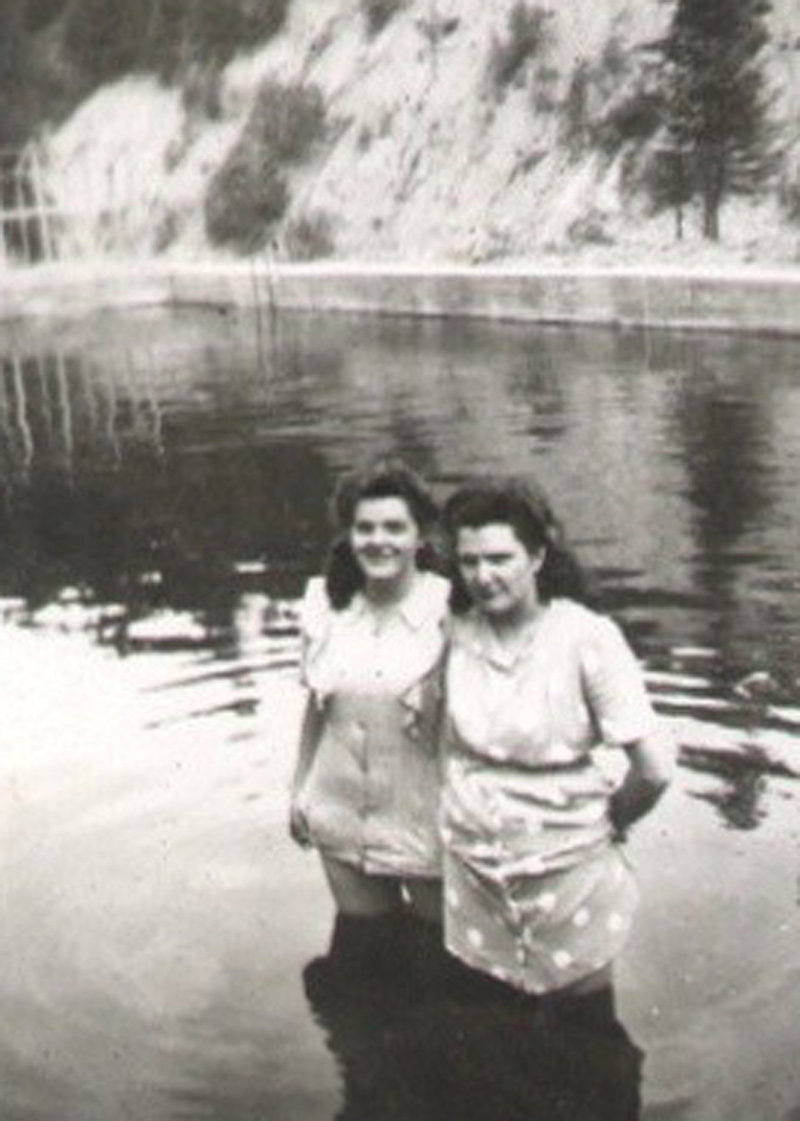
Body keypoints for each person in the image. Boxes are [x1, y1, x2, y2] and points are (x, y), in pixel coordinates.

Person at [439, 476, 673, 1025]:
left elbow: (655, 770)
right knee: (490, 1034)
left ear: (538, 555)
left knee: (584, 1033)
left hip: (568, 873)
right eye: (469, 561)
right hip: (474, 871)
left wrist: (612, 819)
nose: (482, 575)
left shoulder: (587, 637)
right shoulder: (455, 630)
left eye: (500, 558)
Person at [289, 457, 449, 976]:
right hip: (338, 812)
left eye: (394, 527)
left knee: (442, 963)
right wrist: (298, 789)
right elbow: (317, 708)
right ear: (349, 534)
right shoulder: (324, 605)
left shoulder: (453, 608)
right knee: (366, 957)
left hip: (428, 820)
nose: (378, 541)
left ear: (420, 536)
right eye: (365, 527)